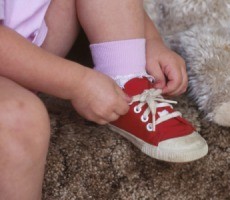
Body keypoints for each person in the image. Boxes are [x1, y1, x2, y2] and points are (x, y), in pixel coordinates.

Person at [0, 0, 208, 199]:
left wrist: (149, 42)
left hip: (31, 39)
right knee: (20, 119)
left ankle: (125, 76)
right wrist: (77, 82)